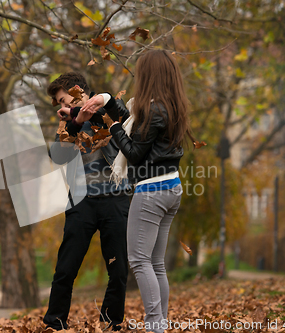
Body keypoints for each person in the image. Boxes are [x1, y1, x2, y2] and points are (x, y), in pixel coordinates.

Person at [82, 50, 196, 333]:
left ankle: (155, 325)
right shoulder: (169, 107)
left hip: (152, 191)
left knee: (139, 260)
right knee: (156, 263)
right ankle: (161, 323)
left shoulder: (154, 110)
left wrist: (115, 128)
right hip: (171, 187)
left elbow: (133, 151)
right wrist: (108, 101)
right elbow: (135, 123)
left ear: (149, 76)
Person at [44, 72, 132, 331]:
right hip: (81, 202)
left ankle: (110, 324)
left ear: (78, 91)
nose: (63, 107)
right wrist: (73, 122)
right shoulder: (67, 123)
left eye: (64, 100)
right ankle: (54, 323)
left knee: (118, 270)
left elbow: (127, 123)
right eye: (59, 103)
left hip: (116, 199)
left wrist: (91, 115)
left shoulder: (108, 109)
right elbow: (57, 156)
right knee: (66, 268)